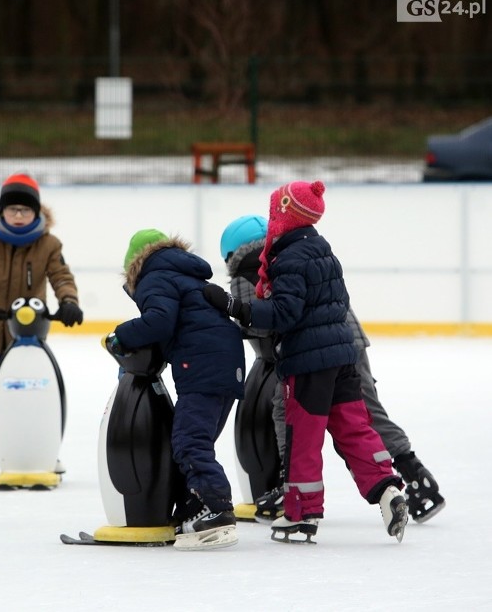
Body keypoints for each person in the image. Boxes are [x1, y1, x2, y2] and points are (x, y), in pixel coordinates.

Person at [204, 181, 409, 544]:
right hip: (344, 357)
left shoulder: (289, 259)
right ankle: (387, 488)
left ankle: (301, 515)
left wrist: (237, 308)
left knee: (303, 437)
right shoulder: (323, 250)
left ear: (284, 215)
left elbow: (285, 313)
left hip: (308, 362)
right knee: (355, 429)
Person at [220, 214, 445, 525]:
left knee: (287, 415)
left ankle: (291, 490)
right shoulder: (302, 253)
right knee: (366, 412)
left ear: (230, 253)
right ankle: (416, 476)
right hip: (349, 339)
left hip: (313, 351)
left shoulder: (252, 272)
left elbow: (263, 323)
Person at [106, 229, 245, 550]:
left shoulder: (154, 277)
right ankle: (194, 505)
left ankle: (217, 509)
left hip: (203, 366)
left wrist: (121, 335)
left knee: (189, 441)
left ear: (134, 266)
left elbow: (158, 321)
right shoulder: (185, 276)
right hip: (227, 364)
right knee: (197, 440)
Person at [0, 172, 82, 480]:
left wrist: (69, 302)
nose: (18, 215)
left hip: (29, 336)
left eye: (24, 210)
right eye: (11, 209)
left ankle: (44, 448)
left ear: (36, 213)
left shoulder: (48, 244)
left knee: (37, 393)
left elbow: (61, 277)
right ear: (2, 212)